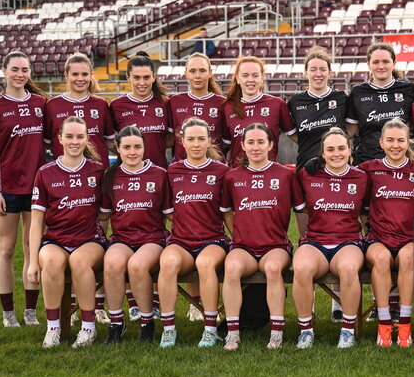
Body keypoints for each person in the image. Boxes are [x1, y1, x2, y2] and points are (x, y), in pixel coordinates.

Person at [0, 50, 48, 328]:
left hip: (37, 190)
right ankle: (8, 314)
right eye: (15, 69)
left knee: (33, 250)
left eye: (25, 70)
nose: (20, 74)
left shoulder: (41, 104)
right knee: (5, 250)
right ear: (4, 71)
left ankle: (30, 312)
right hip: (7, 188)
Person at [27, 117, 106, 348]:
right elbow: (36, 221)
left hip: (89, 239)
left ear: (86, 138)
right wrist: (33, 262)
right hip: (55, 239)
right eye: (69, 136)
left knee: (80, 261)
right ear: (59, 139)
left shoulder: (98, 170)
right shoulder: (46, 172)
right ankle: (53, 328)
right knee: (50, 262)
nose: (74, 141)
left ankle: (88, 328)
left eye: (80, 136)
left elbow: (105, 215)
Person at [291, 128, 369, 349]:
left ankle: (347, 330)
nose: (336, 153)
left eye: (341, 148)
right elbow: (301, 209)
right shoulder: (308, 174)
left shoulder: (361, 177)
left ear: (350, 150)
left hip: (347, 241)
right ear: (322, 153)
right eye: (330, 149)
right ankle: (305, 330)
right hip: (315, 241)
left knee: (347, 269)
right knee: (302, 268)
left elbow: (366, 212)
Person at [220, 124, 295, 351]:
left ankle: (276, 333)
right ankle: (233, 334)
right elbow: (226, 210)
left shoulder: (285, 175)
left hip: (275, 246)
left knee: (273, 269)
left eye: (261, 142)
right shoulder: (232, 176)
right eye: (250, 142)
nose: (255, 147)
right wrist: (239, 234)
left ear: (271, 145)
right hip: (244, 247)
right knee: (231, 268)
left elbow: (301, 209)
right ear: (242, 145)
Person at [156, 117, 230, 349]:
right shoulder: (172, 171)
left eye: (201, 139)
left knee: (207, 264)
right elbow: (169, 212)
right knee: (167, 262)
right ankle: (168, 329)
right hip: (181, 241)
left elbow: (227, 211)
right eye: (191, 139)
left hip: (213, 240)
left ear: (209, 141)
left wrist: (239, 239)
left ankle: (210, 329)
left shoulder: (222, 171)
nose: (196, 144)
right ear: (182, 142)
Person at [359, 120, 414, 347]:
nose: (395, 145)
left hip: (410, 238)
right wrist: (317, 164)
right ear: (381, 142)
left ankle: (405, 325)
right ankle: (383, 324)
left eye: (401, 140)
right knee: (380, 260)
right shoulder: (369, 168)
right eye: (390, 140)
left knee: (407, 259)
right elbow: (339, 173)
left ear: (408, 141)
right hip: (378, 238)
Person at [99, 126, 170, 345]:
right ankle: (116, 323)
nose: (132, 152)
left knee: (138, 265)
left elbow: (172, 215)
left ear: (144, 148)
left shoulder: (159, 174)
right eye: (127, 147)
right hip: (122, 238)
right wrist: (100, 242)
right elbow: (103, 216)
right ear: (118, 149)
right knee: (111, 263)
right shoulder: (110, 176)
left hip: (152, 238)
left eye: (137, 147)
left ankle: (147, 322)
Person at [346, 42, 414, 164]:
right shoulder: (358, 92)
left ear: (394, 63)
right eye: (375, 62)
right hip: (367, 161)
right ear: (368, 65)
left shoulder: (410, 90)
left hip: (401, 162)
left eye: (386, 61)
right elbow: (351, 131)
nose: (381, 66)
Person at [222, 55, 294, 164]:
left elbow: (296, 137)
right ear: (237, 78)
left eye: (255, 75)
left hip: (270, 174)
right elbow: (223, 147)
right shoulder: (227, 108)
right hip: (239, 176)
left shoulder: (277, 104)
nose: (250, 80)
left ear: (262, 77)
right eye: (245, 75)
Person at [45, 53, 113, 165]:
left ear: (91, 75)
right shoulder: (52, 105)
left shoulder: (101, 104)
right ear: (66, 75)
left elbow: (109, 141)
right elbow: (47, 142)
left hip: (98, 173)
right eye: (75, 74)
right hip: (65, 173)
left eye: (85, 74)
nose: (80, 79)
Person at [287, 46, 349, 168]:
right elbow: (291, 133)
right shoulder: (295, 102)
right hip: (306, 166)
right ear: (305, 73)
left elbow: (351, 130)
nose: (318, 74)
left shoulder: (341, 98)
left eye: (323, 69)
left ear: (330, 73)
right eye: (313, 69)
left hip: (337, 166)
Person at [110, 53, 170, 168]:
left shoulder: (165, 103)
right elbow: (109, 140)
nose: (141, 83)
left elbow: (171, 138)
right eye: (136, 77)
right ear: (128, 77)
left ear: (153, 77)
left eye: (146, 77)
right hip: (128, 173)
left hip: (158, 172)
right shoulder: (116, 105)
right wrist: (128, 153)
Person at [167, 52, 226, 162]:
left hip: (214, 169)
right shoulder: (175, 101)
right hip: (182, 171)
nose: (197, 75)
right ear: (186, 74)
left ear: (210, 73)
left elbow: (227, 143)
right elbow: (170, 139)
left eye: (202, 70)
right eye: (192, 71)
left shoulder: (222, 103)